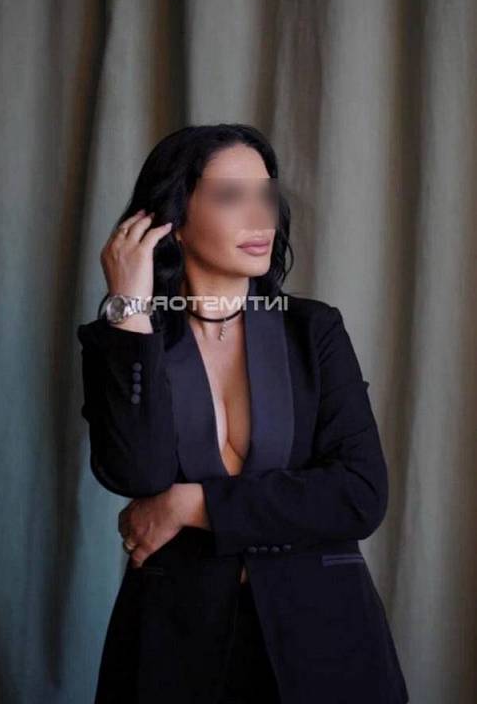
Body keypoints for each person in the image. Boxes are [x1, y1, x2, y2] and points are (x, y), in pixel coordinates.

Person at [77, 123, 409, 704]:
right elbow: (137, 472)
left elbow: (359, 494)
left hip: (325, 640)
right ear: (173, 220)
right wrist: (128, 308)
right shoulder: (132, 338)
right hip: (172, 645)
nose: (260, 217)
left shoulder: (313, 330)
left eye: (266, 195)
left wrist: (190, 504)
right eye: (231, 196)